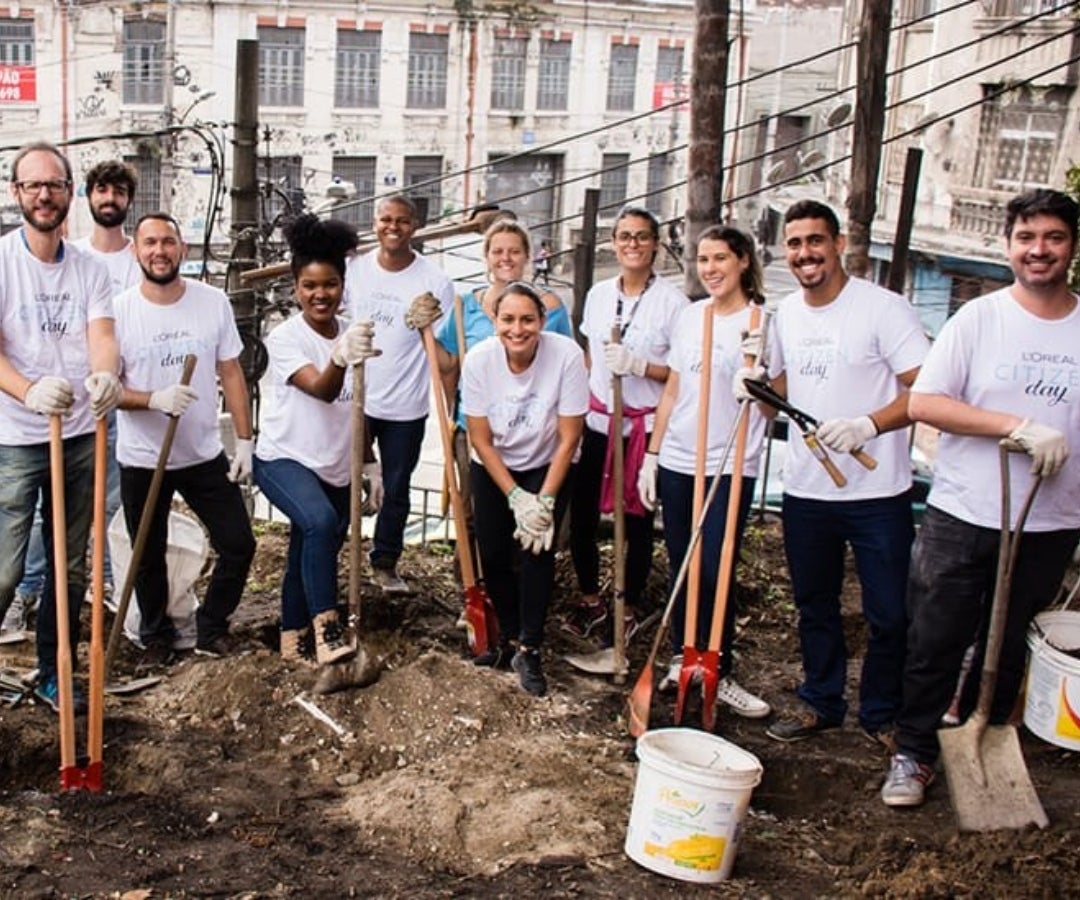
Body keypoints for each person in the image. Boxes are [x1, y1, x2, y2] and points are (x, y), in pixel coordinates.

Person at [882, 189, 1080, 807]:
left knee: (1012, 634)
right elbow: (926, 403)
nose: (1038, 249)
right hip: (966, 511)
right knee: (938, 636)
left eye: (1052, 237)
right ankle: (913, 752)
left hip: (1051, 519)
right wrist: (1014, 427)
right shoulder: (980, 318)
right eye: (1026, 238)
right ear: (1009, 246)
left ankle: (984, 734)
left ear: (1072, 245)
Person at [762, 199, 929, 746]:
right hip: (807, 491)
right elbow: (780, 394)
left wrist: (868, 425)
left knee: (889, 614)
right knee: (815, 604)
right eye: (794, 244)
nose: (805, 253)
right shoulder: (785, 313)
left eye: (815, 241)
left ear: (838, 245)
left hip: (879, 494)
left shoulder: (883, 309)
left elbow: (925, 390)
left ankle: (880, 715)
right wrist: (757, 386)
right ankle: (821, 701)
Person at [0, 141, 121, 712]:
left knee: (70, 565)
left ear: (69, 193)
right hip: (16, 439)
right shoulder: (2, 263)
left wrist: (103, 376)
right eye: (33, 185)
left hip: (76, 434)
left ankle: (55, 669)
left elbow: (101, 334)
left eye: (54, 184)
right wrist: (27, 389)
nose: (44, 194)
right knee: (5, 567)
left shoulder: (90, 269)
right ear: (16, 193)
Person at [637, 225, 770, 718]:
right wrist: (652, 452)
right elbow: (673, 388)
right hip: (678, 457)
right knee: (681, 562)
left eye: (720, 259)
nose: (710, 269)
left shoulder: (760, 322)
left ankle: (718, 664)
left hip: (728, 461)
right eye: (703, 260)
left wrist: (757, 384)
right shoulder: (692, 317)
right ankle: (682, 656)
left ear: (742, 262)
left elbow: (776, 405)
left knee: (716, 566)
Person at [114, 212, 256, 665]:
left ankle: (210, 628)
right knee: (147, 554)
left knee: (238, 543)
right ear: (135, 251)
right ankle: (155, 637)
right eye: (150, 243)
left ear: (184, 249)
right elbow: (107, 387)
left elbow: (231, 370)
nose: (160, 251)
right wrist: (153, 398)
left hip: (201, 453)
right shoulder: (118, 312)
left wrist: (245, 441)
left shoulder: (211, 302)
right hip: (142, 457)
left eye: (168, 242)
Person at [254, 214, 380, 668]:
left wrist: (369, 463)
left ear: (342, 285)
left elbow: (355, 405)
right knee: (322, 524)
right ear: (294, 286)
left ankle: (293, 639)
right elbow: (325, 389)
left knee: (309, 546)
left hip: (335, 462)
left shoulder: (354, 330)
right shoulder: (284, 337)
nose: (319, 295)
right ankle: (328, 629)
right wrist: (341, 358)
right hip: (284, 458)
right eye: (309, 286)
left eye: (329, 284)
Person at [564, 205, 688, 645]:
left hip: (644, 427)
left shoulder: (673, 304)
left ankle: (629, 603)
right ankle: (591, 598)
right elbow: (588, 354)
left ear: (655, 244)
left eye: (641, 236)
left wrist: (640, 366)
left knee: (636, 520)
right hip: (598, 418)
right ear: (613, 243)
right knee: (582, 517)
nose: (632, 244)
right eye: (624, 236)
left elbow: (681, 374)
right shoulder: (599, 294)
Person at [461, 281, 588, 695]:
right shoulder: (479, 360)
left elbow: (570, 436)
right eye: (508, 319)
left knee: (537, 550)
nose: (518, 329)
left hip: (548, 461)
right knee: (495, 552)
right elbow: (479, 438)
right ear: (495, 321)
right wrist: (515, 497)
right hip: (496, 463)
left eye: (528, 319)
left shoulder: (565, 356)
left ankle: (531, 647)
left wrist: (544, 501)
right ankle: (508, 637)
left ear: (542, 321)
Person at [433, 218, 572, 579]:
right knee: (475, 513)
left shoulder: (550, 307)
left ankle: (522, 587)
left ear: (528, 256)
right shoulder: (466, 306)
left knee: (529, 512)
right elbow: (448, 362)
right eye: (497, 251)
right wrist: (424, 330)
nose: (505, 258)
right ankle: (476, 587)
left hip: (533, 427)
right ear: (486, 257)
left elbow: (565, 363)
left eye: (514, 251)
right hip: (478, 428)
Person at [344, 194, 453, 595]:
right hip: (354, 396)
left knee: (396, 486)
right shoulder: (354, 269)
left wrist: (429, 323)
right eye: (385, 219)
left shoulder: (434, 280)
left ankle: (384, 562)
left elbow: (445, 360)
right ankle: (337, 552)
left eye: (403, 221)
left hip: (405, 405)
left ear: (416, 226)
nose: (393, 227)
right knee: (341, 478)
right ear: (374, 223)